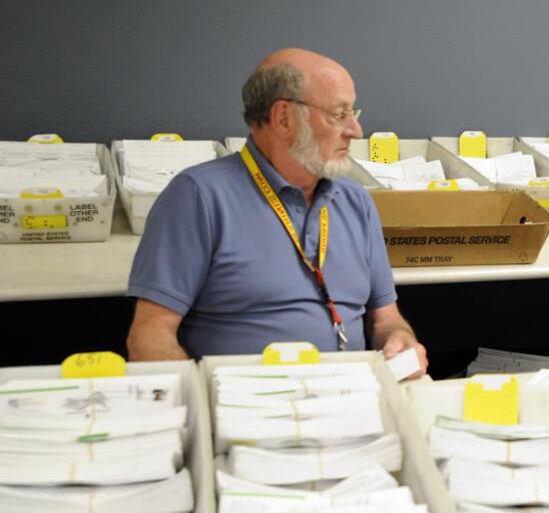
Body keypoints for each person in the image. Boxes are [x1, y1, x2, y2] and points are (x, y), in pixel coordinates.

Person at [126, 47, 428, 373]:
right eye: (339, 114)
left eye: (354, 113)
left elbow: (386, 319)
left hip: (349, 401)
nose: (356, 130)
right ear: (284, 118)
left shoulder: (356, 200)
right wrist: (201, 405)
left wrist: (401, 340)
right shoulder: (198, 196)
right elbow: (150, 335)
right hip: (247, 408)